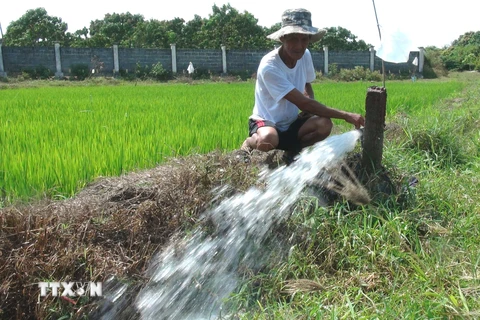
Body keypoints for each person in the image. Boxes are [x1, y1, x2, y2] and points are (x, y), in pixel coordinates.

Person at [241, 8, 365, 162]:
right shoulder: (270, 67)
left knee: (324, 124)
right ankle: (250, 143)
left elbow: (307, 84)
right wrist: (346, 115)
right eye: (293, 38)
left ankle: (292, 153)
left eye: (304, 39)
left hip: (292, 122)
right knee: (268, 138)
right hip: (267, 122)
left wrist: (308, 105)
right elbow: (303, 103)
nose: (299, 46)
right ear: (283, 38)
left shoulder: (305, 55)